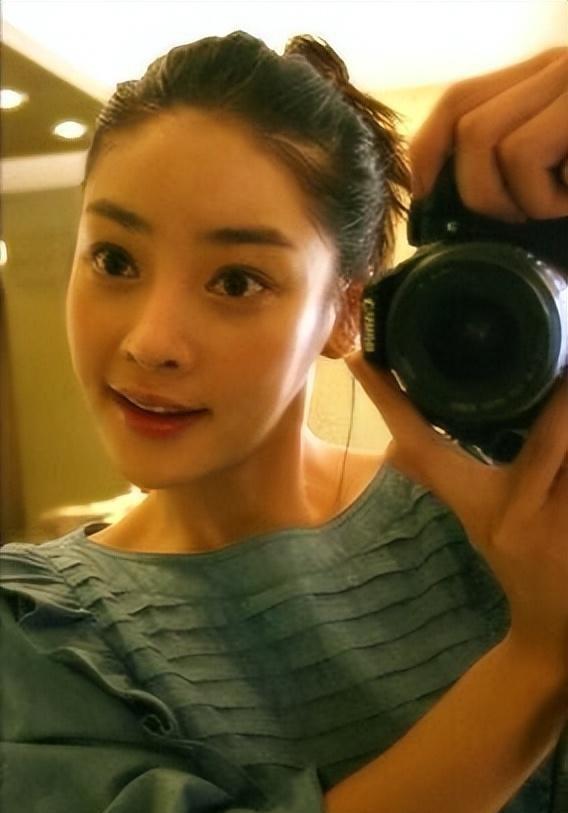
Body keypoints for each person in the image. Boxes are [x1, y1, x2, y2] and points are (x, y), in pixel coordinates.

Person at [1, 31, 566, 813]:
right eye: (115, 260)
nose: (150, 342)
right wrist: (540, 659)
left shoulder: (509, 521)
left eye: (236, 281)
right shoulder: (39, 630)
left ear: (346, 313)